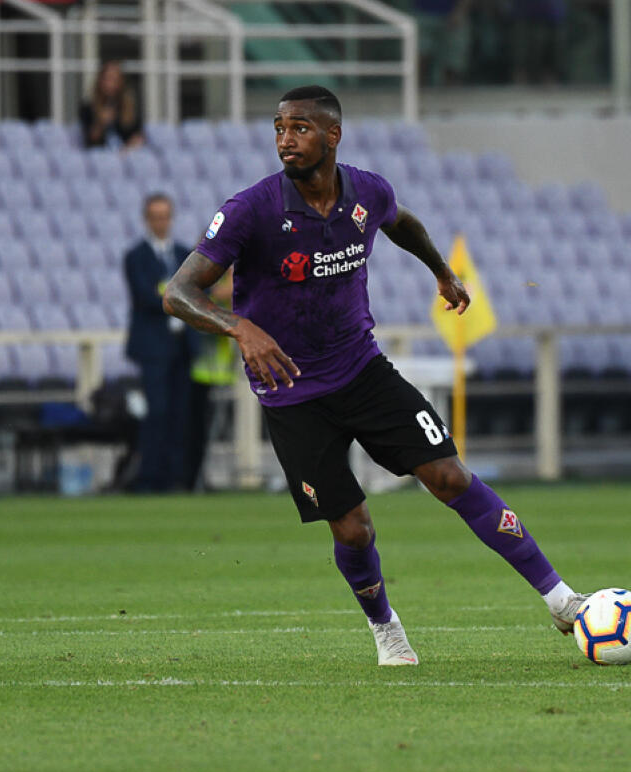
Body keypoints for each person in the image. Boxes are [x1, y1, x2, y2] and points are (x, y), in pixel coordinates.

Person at [162, 85, 588, 666]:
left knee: (449, 476)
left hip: (362, 369)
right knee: (354, 528)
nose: (287, 139)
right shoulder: (251, 209)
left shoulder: (367, 191)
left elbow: (402, 221)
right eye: (280, 128)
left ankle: (562, 599)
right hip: (291, 392)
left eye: (301, 128)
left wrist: (441, 271)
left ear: (332, 135)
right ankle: (386, 628)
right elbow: (179, 293)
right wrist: (240, 327)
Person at [124, 193, 197, 492]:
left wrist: (168, 293)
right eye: (155, 216)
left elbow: (195, 289)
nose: (161, 222)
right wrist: (173, 294)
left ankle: (176, 477)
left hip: (182, 345)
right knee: (157, 412)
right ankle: (150, 477)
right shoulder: (136, 257)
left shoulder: (183, 254)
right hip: (154, 347)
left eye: (165, 216)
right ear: (146, 219)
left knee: (181, 414)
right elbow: (144, 296)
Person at [183, 268, 237, 492]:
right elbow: (222, 294)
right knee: (196, 430)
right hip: (199, 371)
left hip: (220, 371)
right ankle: (191, 480)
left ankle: (201, 479)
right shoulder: (200, 281)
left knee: (211, 432)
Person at [79, 60, 144, 150]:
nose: (110, 84)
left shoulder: (129, 107)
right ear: (100, 80)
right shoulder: (88, 107)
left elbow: (137, 136)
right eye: (107, 78)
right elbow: (91, 139)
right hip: (99, 156)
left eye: (114, 79)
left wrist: (125, 151)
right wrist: (101, 123)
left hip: (125, 155)